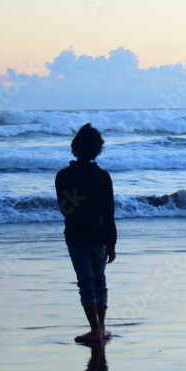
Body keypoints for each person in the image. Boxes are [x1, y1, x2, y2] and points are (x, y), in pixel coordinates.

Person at [56, 123, 117, 344]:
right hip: (100, 237)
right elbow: (109, 213)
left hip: (76, 236)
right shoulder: (102, 176)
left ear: (75, 148)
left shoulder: (64, 176)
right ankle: (101, 328)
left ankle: (95, 330)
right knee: (99, 281)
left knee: (86, 282)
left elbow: (66, 209)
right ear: (97, 149)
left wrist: (91, 219)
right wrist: (112, 243)